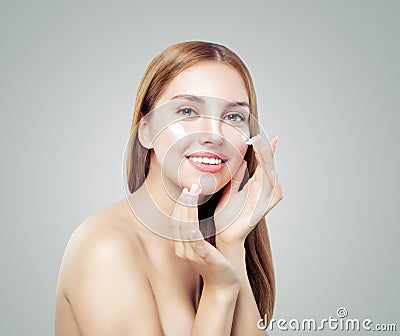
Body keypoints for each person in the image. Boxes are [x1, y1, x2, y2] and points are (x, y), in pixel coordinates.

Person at [55, 41, 283, 336]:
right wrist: (220, 290)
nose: (213, 135)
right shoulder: (104, 248)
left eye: (233, 117)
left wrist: (231, 247)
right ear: (146, 129)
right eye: (187, 111)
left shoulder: (219, 241)